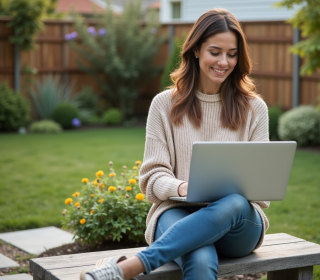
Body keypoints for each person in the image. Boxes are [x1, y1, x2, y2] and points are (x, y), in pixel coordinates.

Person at [80, 8, 270, 280]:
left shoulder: (254, 108)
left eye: (232, 54)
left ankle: (129, 267)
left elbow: (260, 189)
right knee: (200, 258)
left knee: (237, 202)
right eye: (214, 52)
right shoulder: (163, 105)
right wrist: (181, 186)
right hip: (177, 212)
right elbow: (151, 177)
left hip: (238, 226)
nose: (224, 62)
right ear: (195, 50)